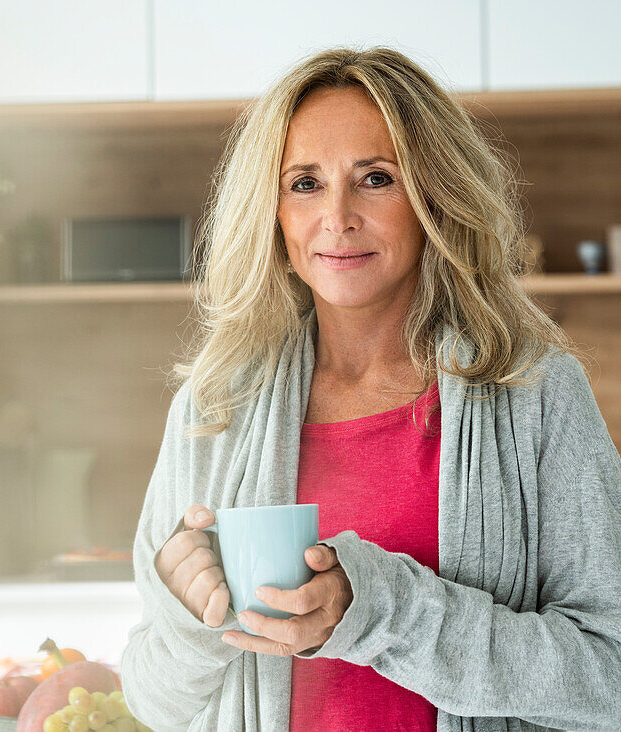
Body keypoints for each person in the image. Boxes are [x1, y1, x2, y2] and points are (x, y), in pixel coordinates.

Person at [120, 46, 621, 732]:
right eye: (305, 183)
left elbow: (609, 675)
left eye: (376, 178)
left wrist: (379, 609)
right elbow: (152, 700)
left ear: (431, 196)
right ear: (274, 213)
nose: (338, 216)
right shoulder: (214, 410)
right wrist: (190, 620)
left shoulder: (534, 394)